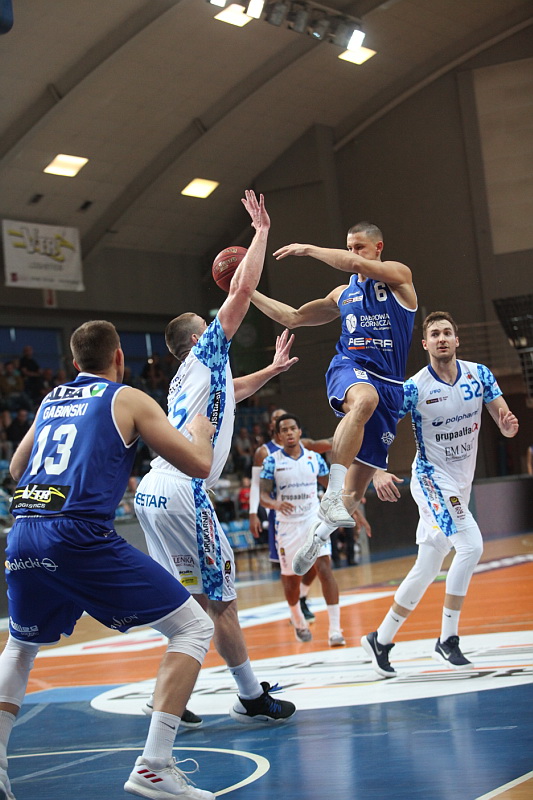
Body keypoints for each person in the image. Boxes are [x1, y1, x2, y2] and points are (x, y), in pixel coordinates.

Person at [0, 320, 218, 800]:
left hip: (24, 531)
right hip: (77, 534)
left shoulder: (52, 399)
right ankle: (154, 765)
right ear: (119, 357)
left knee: (20, 645)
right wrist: (202, 432)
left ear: (74, 362)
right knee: (194, 628)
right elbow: (200, 465)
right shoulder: (128, 399)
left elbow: (16, 468)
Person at [134, 190, 298, 725]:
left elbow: (234, 391)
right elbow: (244, 289)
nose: (214, 328)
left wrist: (271, 371)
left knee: (188, 605)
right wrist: (261, 231)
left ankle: (168, 695)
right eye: (207, 327)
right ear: (196, 337)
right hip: (184, 491)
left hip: (154, 493)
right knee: (220, 599)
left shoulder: (192, 378)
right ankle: (250, 697)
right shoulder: (206, 353)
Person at [251, 221, 417, 575]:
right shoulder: (343, 294)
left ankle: (316, 539)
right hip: (350, 368)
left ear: (378, 248)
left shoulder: (399, 277)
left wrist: (308, 249)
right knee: (365, 400)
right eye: (349, 246)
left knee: (354, 495)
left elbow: (354, 264)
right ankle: (331, 494)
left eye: (359, 247)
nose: (353, 254)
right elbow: (292, 317)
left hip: (391, 385)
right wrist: (246, 289)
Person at [360, 311, 519, 676]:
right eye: (435, 334)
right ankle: (447, 640)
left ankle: (380, 639)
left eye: (447, 332)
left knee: (428, 566)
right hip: (431, 478)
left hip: (461, 483)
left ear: (457, 340)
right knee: (471, 546)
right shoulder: (414, 387)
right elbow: (377, 426)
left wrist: (508, 428)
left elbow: (504, 420)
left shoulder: (479, 375)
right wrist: (378, 471)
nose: (442, 338)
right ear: (425, 343)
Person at [259, 413, 346, 645]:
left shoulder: (314, 458)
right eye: (284, 430)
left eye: (292, 428)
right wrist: (275, 504)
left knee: (324, 568)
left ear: (299, 432)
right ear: (278, 436)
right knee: (291, 579)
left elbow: (332, 486)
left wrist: (350, 502)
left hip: (312, 519)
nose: (289, 433)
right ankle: (297, 619)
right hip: (287, 525)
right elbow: (263, 496)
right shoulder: (271, 461)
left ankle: (335, 630)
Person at [248, 406, 333, 622]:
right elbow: (257, 485)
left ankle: (303, 597)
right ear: (273, 428)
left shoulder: (305, 446)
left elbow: (328, 443)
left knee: (318, 562)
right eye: (278, 420)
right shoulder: (264, 453)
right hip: (280, 515)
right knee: (289, 570)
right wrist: (253, 513)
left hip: (310, 514)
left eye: (290, 424)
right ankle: (295, 606)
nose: (286, 427)